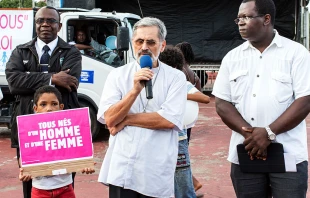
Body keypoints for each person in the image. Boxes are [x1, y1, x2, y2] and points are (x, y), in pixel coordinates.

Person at [212, 0, 310, 197]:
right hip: (246, 152)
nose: (240, 22)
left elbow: (305, 100)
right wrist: (250, 135)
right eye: (238, 18)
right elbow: (222, 103)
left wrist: (268, 133)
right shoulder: (232, 57)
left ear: (266, 19)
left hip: (288, 154)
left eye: (246, 17)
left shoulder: (296, 54)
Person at [97, 17, 187, 198]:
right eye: (139, 41)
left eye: (151, 42)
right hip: (123, 168)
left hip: (155, 170)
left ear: (162, 45)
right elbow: (110, 119)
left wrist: (127, 119)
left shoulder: (176, 78)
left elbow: (168, 120)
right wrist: (135, 90)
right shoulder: (117, 75)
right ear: (133, 44)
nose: (144, 47)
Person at [5, 6, 81, 198]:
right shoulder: (20, 52)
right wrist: (52, 78)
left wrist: (30, 77)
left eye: (50, 21)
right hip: (28, 131)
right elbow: (14, 82)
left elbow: (69, 85)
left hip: (61, 132)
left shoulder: (72, 53)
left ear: (59, 25)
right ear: (35, 24)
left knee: (64, 183)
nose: (45, 25)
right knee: (30, 185)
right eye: (40, 21)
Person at [19, 85, 95, 198]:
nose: (49, 108)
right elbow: (24, 157)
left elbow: (83, 154)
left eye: (54, 104)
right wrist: (24, 170)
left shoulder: (71, 131)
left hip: (65, 189)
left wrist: (86, 165)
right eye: (43, 104)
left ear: (61, 107)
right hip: (40, 190)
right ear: (35, 109)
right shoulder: (30, 132)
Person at [159, 46, 210, 198]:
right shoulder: (158, 82)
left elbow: (204, 98)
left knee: (179, 168)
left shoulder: (180, 81)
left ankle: (189, 188)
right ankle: (191, 185)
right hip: (163, 131)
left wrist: (179, 95)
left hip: (179, 131)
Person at [176, 41, 204, 192]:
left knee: (178, 155)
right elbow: (199, 94)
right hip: (189, 120)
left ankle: (191, 183)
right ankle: (191, 183)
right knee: (182, 153)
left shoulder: (180, 72)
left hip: (180, 118)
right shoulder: (193, 74)